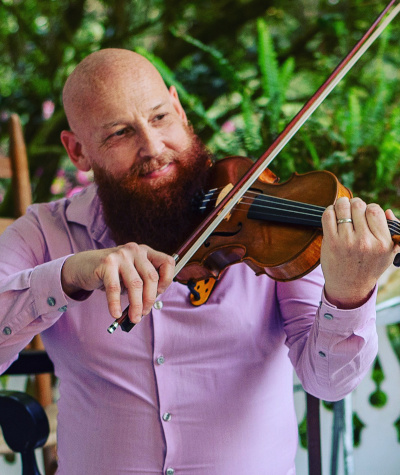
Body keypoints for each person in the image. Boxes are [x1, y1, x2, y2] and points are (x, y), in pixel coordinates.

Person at [0, 48, 398, 475]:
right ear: (77, 151)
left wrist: (350, 293)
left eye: (159, 118)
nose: (152, 147)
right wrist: (70, 275)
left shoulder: (267, 225)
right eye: (119, 133)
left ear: (178, 107)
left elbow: (330, 382)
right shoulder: (45, 232)